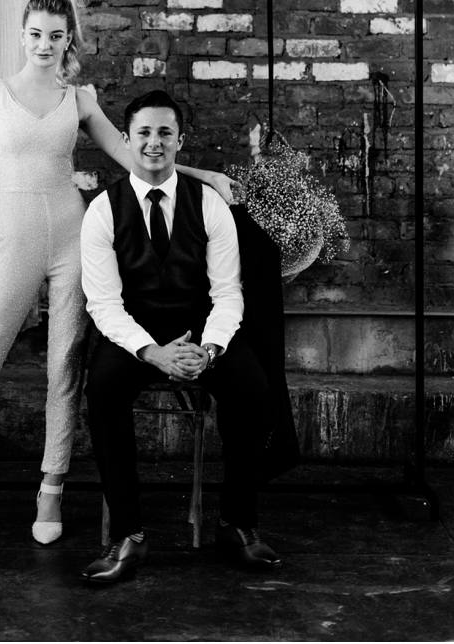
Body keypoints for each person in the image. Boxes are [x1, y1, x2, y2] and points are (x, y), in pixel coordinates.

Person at [0, 0, 234, 547]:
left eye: (55, 36)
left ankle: (51, 488)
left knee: (65, 368)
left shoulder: (79, 99)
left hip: (71, 238)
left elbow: (133, 155)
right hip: (14, 240)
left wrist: (202, 176)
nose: (44, 44)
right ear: (22, 35)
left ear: (69, 41)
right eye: (36, 34)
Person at [79, 89, 282, 584]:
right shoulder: (102, 210)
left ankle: (237, 524)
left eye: (165, 133)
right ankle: (128, 535)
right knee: (101, 390)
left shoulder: (209, 204)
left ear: (180, 141)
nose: (154, 143)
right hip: (135, 336)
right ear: (126, 139)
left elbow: (228, 293)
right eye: (144, 133)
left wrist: (208, 350)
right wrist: (152, 352)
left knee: (254, 388)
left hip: (199, 333)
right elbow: (103, 305)